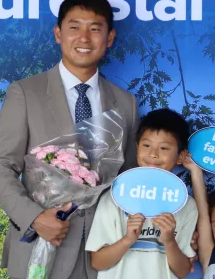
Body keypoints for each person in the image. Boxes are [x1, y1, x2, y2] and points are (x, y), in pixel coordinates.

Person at [0, 0, 140, 279]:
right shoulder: (25, 93)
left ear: (109, 38)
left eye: (95, 29)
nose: (84, 37)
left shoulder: (126, 104)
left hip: (103, 252)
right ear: (58, 33)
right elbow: (0, 166)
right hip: (41, 244)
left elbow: (130, 180)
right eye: (74, 27)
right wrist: (33, 217)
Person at [85, 108, 199, 279]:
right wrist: (128, 240)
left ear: (181, 156)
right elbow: (97, 262)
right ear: (137, 148)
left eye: (164, 148)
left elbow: (183, 271)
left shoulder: (186, 205)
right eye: (146, 145)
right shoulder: (115, 197)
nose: (153, 154)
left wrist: (169, 240)